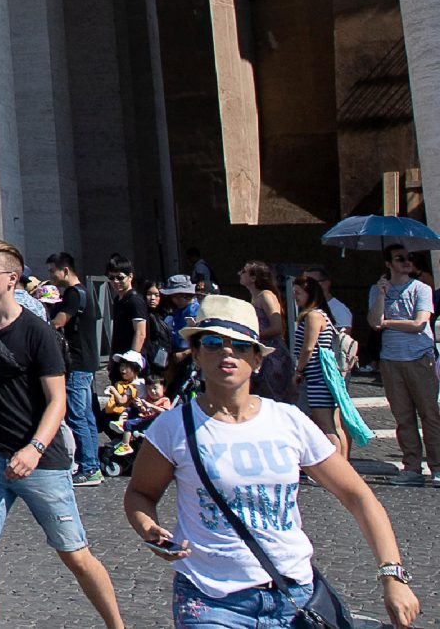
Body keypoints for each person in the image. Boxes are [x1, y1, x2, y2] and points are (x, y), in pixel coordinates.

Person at [123, 292, 420, 629]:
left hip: (294, 598)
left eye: (240, 345)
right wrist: (149, 529)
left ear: (257, 359)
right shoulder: (173, 427)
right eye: (213, 342)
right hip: (209, 601)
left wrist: (392, 576)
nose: (227, 352)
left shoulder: (288, 421)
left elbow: (358, 496)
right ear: (196, 354)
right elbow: (140, 494)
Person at [0, 240, 126, 629]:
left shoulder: (38, 333)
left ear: (12, 279)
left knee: (74, 553)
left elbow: (57, 402)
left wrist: (34, 448)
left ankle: (117, 625)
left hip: (40, 458)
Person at [372, 246, 440, 485]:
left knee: (430, 414)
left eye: (409, 258)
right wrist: (381, 295)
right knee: (403, 416)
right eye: (400, 259)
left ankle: (437, 466)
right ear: (388, 264)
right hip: (391, 360)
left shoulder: (421, 288)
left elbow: (420, 323)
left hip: (419, 357)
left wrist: (388, 322)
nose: (407, 262)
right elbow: (373, 322)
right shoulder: (377, 289)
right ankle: (411, 466)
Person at [47, 252, 108, 482]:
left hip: (78, 362)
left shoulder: (73, 294)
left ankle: (89, 467)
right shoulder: (85, 291)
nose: (51, 276)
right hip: (87, 362)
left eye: (53, 271)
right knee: (86, 415)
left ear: (65, 270)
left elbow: (58, 323)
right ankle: (93, 464)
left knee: (76, 416)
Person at [294, 268, 353, 459]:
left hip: (317, 377)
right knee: (333, 424)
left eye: (298, 293)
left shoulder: (313, 316)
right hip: (324, 377)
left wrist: (298, 370)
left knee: (325, 425)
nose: (295, 297)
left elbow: (309, 348)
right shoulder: (322, 315)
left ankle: (336, 465)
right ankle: (342, 463)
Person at [99, 351, 171, 474]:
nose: (123, 370)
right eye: (121, 366)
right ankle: (122, 428)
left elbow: (122, 400)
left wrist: (112, 390)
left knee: (122, 418)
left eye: (126, 367)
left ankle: (124, 439)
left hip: (145, 419)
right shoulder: (142, 384)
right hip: (141, 414)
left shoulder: (135, 386)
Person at [240, 260, 296, 404]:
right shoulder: (254, 297)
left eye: (244, 271)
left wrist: (252, 336)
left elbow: (277, 327)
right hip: (260, 352)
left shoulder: (266, 295)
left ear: (254, 277)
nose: (240, 273)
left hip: (273, 355)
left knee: (274, 398)